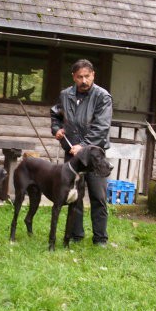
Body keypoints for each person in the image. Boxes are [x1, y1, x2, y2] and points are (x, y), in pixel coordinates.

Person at [50, 59, 113, 246]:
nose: (84, 80)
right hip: (72, 155)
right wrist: (57, 129)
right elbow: (55, 114)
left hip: (95, 156)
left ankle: (100, 238)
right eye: (80, 77)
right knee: (74, 196)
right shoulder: (65, 95)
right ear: (73, 77)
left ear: (93, 74)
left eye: (87, 76)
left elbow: (101, 127)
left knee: (98, 196)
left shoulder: (103, 97)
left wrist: (84, 146)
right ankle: (76, 235)